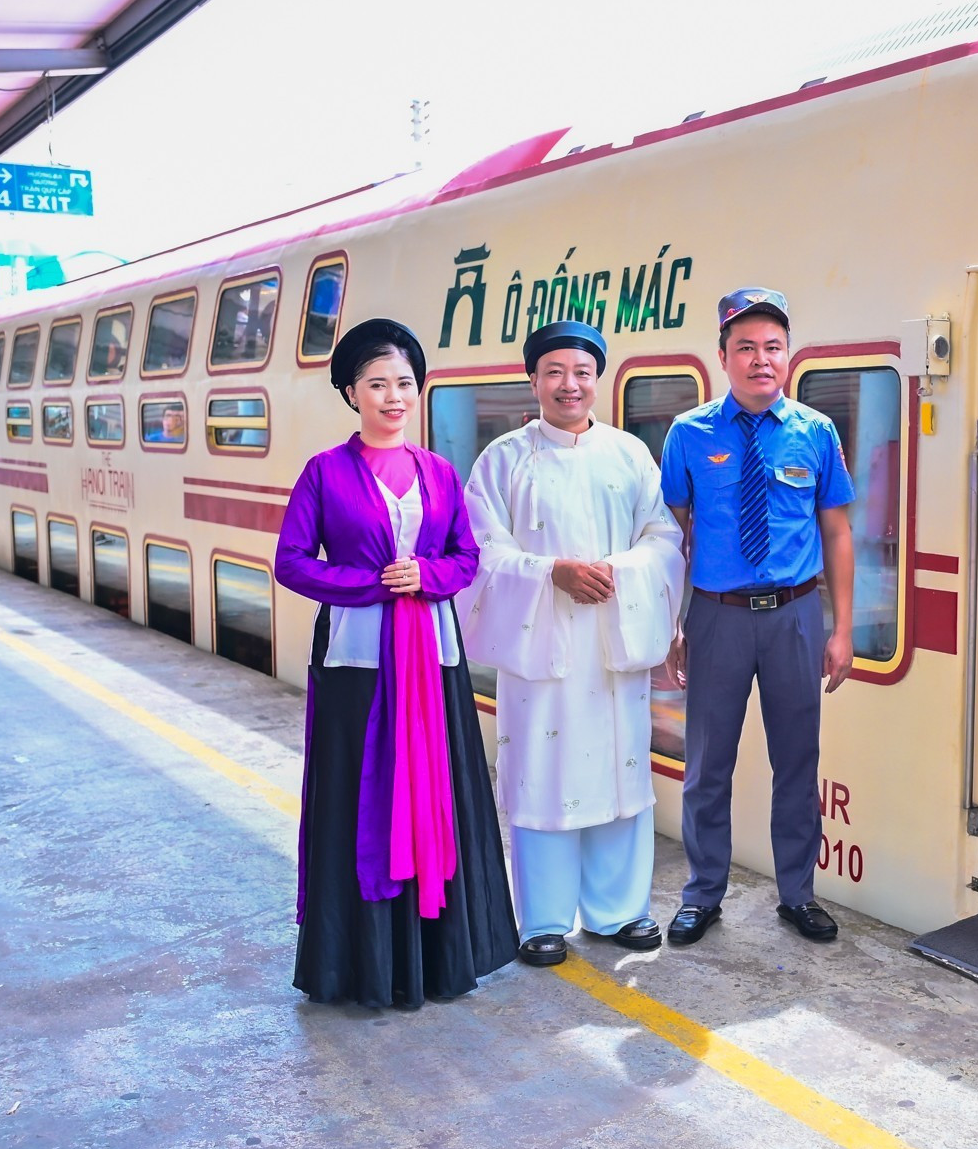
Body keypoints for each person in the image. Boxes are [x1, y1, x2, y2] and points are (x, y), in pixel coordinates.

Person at [274, 318, 517, 1008]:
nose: (393, 397)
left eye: (404, 383)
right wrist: (373, 582)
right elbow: (291, 562)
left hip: (433, 665)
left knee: (440, 799)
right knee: (361, 804)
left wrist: (427, 576)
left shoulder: (440, 473)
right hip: (357, 665)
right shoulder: (324, 473)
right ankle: (363, 965)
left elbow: (466, 560)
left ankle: (440, 961)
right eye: (377, 384)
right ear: (351, 392)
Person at [456, 321, 685, 965]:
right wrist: (550, 573)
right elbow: (480, 550)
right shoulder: (502, 459)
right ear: (534, 380)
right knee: (543, 777)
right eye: (554, 371)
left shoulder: (630, 455)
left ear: (598, 379)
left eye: (582, 371)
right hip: (541, 647)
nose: (569, 384)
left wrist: (623, 571)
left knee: (620, 773)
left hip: (614, 638)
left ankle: (621, 912)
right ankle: (545, 920)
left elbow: (662, 538)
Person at [659, 288, 857, 945]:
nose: (760, 359)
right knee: (707, 764)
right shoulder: (688, 436)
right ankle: (701, 893)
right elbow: (673, 537)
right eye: (745, 347)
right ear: (722, 357)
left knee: (797, 762)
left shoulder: (816, 432)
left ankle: (797, 895)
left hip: (795, 618)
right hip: (718, 618)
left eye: (772, 346)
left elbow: (837, 533)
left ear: (787, 355)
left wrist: (843, 629)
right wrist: (677, 622)